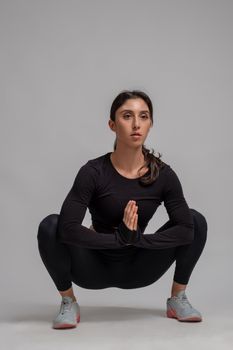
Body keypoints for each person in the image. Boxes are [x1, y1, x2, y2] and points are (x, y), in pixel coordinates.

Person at [37, 89, 208, 329]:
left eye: (144, 116)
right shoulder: (93, 172)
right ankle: (68, 301)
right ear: (112, 125)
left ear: (150, 124)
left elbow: (187, 231)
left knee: (195, 219)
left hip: (140, 268)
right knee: (50, 224)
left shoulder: (163, 175)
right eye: (127, 116)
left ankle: (177, 298)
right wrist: (120, 239)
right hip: (92, 268)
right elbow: (67, 230)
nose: (136, 124)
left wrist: (136, 240)